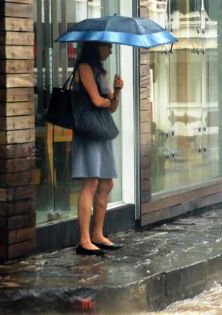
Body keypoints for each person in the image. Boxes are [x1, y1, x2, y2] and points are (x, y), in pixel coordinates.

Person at [71, 42, 124, 256]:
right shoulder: (84, 67)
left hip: (102, 130)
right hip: (88, 130)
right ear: (96, 47)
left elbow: (111, 107)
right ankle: (83, 240)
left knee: (107, 183)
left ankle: (98, 234)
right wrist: (105, 100)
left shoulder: (102, 71)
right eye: (107, 47)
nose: (110, 50)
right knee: (91, 182)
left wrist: (117, 91)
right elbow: (95, 100)